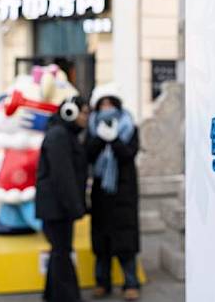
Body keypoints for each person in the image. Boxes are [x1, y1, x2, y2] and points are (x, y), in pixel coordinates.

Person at [85, 84, 141, 301]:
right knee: (101, 241)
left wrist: (114, 139)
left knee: (125, 240)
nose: (107, 108)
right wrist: (100, 138)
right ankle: (102, 282)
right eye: (103, 104)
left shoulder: (129, 126)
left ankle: (130, 282)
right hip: (101, 193)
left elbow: (129, 154)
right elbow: (87, 155)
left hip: (124, 192)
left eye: (110, 103)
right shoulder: (91, 128)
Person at [35, 96, 89, 302]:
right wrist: (75, 207)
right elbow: (63, 175)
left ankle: (51, 295)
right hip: (56, 208)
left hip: (57, 207)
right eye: (83, 112)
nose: (86, 117)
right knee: (62, 254)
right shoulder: (59, 136)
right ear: (70, 112)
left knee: (59, 252)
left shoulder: (66, 134)